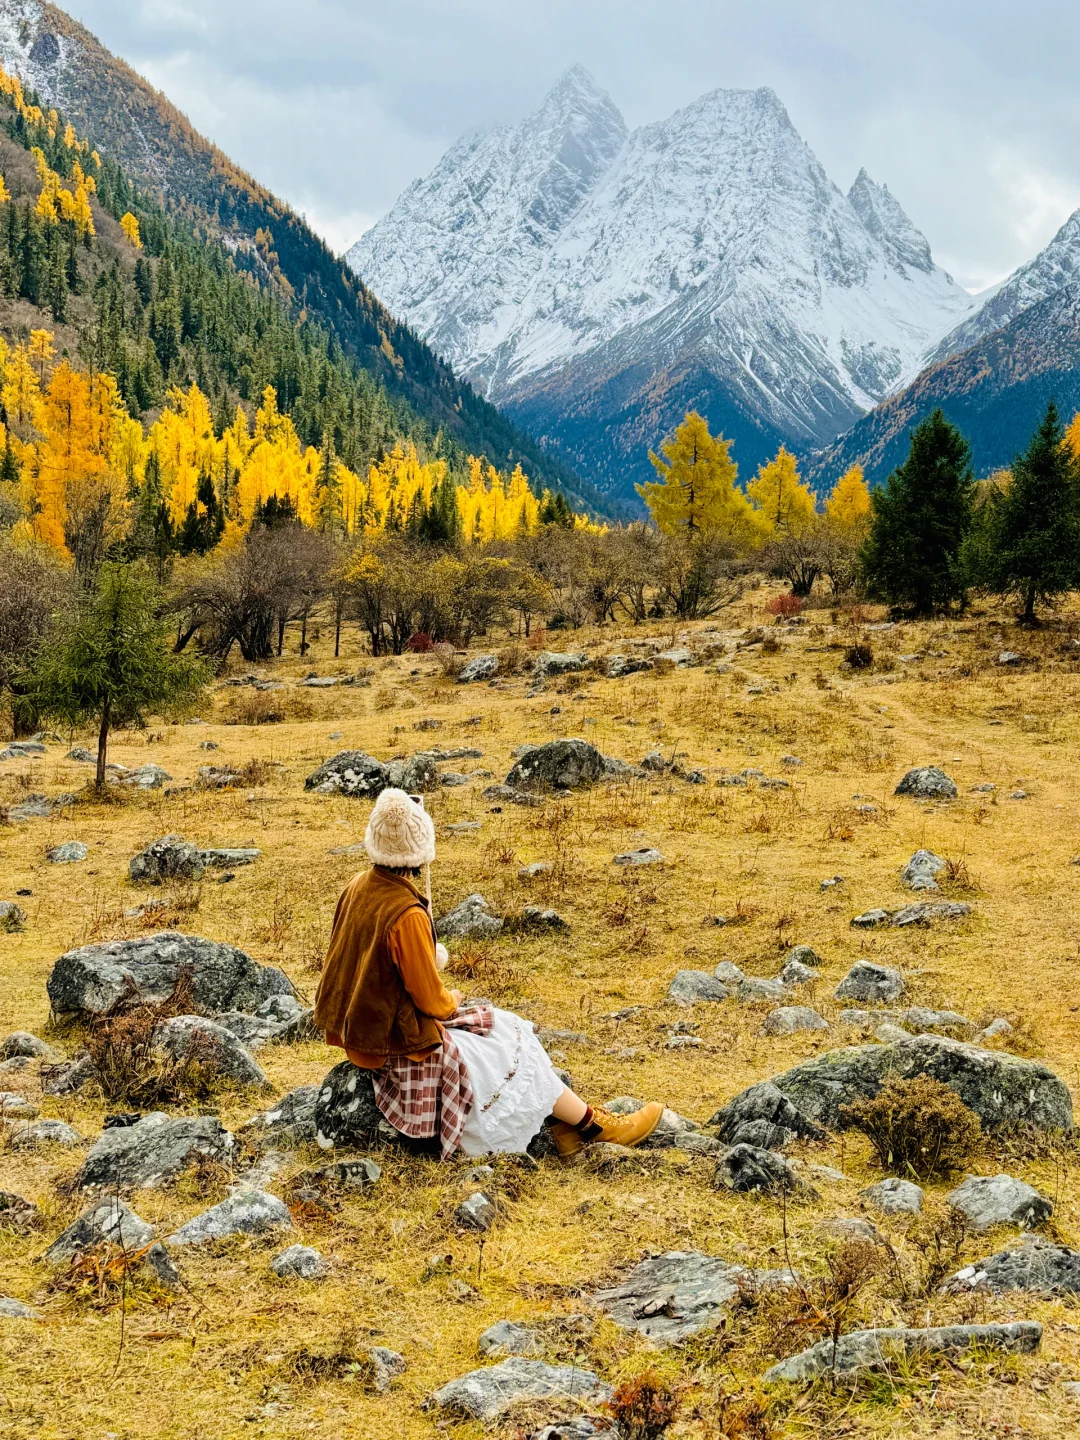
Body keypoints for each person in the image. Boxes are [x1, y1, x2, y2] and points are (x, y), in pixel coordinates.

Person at [314, 788, 664, 1159]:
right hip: (398, 1047)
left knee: (498, 1033)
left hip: (361, 1036)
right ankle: (594, 1126)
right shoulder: (407, 914)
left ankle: (571, 1128)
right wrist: (453, 998)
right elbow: (432, 1002)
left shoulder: (356, 886)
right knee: (507, 1038)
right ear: (422, 848)